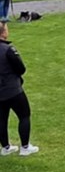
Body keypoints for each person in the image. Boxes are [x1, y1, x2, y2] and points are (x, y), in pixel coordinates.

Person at [0, 21, 38, 157]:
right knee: (24, 115)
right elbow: (21, 68)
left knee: (2, 119)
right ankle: (25, 147)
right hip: (12, 89)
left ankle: (5, 147)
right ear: (4, 33)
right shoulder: (8, 49)